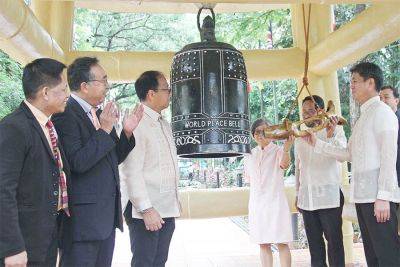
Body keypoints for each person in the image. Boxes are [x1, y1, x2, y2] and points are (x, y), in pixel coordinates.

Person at [303, 62, 400, 266]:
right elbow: (349, 154)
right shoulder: (363, 116)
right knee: (372, 256)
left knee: (388, 256)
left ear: (370, 82)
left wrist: (383, 197)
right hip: (363, 198)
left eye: (355, 81)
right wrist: (317, 143)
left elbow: (389, 157)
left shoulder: (383, 113)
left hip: (378, 199)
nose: (351, 86)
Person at [53, 57, 143, 267]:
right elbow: (76, 162)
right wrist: (103, 130)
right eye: (103, 80)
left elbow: (113, 157)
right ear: (84, 86)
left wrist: (126, 132)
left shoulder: (100, 114)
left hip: (104, 218)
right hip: (82, 223)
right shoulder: (65, 114)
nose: (107, 85)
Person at [0, 58, 69, 266]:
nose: (68, 95)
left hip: (46, 236)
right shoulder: (14, 127)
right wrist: (12, 247)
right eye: (64, 88)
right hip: (22, 243)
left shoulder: (49, 124)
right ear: (45, 92)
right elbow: (3, 190)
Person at [121, 71, 180, 267]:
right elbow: (131, 171)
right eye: (166, 89)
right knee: (144, 262)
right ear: (151, 94)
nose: (170, 93)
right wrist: (145, 208)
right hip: (145, 209)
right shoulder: (137, 122)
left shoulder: (164, 123)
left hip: (165, 206)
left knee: (159, 262)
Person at [295, 95, 346, 267]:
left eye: (311, 110)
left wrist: (330, 136)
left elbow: (342, 156)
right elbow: (298, 167)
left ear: (321, 111)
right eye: (304, 112)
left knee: (335, 244)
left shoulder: (335, 128)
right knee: (315, 247)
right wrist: (298, 193)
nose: (307, 115)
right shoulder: (299, 134)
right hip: (307, 198)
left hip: (329, 196)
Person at [244, 118, 293, 267]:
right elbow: (249, 179)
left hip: (276, 204)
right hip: (257, 205)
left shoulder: (278, 151)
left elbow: (284, 164)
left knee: (282, 242)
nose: (260, 134)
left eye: (264, 131)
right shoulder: (249, 155)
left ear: (272, 133)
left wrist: (286, 148)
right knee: (263, 244)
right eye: (257, 132)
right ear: (253, 135)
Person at [380, 85, 400, 186]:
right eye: (380, 98)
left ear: (396, 101)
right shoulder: (380, 122)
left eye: (386, 97)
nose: (382, 101)